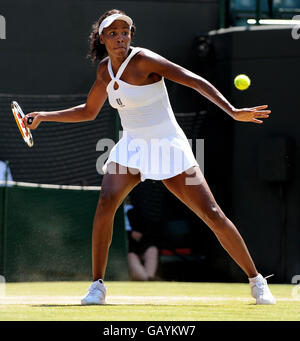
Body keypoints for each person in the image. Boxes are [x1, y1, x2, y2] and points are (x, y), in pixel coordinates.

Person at [23, 9, 276, 305]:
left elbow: (192, 79)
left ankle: (256, 281)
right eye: (113, 33)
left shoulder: (145, 60)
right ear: (102, 38)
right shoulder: (105, 70)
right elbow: (89, 111)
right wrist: (44, 116)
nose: (121, 38)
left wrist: (232, 110)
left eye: (125, 32)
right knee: (105, 204)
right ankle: (97, 286)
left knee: (212, 214)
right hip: (132, 146)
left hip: (167, 144)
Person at [124, 196, 159, 281]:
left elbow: (146, 228)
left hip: (141, 242)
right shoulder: (114, 212)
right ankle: (146, 280)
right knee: (131, 256)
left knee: (152, 250)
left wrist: (139, 233)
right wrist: (130, 234)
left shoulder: (137, 210)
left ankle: (150, 278)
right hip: (127, 246)